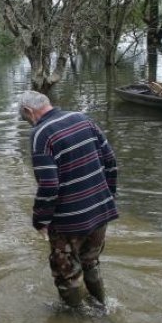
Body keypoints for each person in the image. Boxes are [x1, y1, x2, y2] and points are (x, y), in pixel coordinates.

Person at [18, 90, 119, 308]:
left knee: (67, 276)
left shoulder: (41, 133)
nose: (28, 124)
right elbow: (111, 160)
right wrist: (108, 196)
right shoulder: (83, 118)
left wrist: (40, 221)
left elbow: (49, 185)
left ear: (28, 111)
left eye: (25, 119)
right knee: (90, 262)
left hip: (68, 223)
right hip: (100, 213)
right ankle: (102, 307)